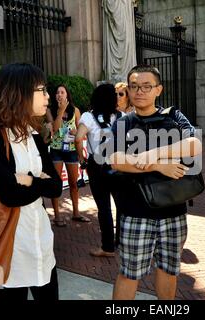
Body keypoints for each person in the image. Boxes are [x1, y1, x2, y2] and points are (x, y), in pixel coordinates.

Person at [110, 65, 202, 300]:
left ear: (158, 89)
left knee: (169, 269)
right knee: (130, 273)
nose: (139, 91)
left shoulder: (173, 116)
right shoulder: (124, 123)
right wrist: (159, 165)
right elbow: (116, 161)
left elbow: (195, 145)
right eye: (134, 86)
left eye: (146, 86)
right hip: (135, 211)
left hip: (173, 209)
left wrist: (154, 153)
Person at [0, 63, 62, 301]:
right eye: (41, 90)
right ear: (18, 92)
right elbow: (10, 195)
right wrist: (38, 182)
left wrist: (29, 181)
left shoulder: (33, 133)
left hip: (40, 237)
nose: (48, 97)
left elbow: (56, 187)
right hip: (5, 243)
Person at [75, 83, 120, 257]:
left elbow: (78, 138)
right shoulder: (120, 116)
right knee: (121, 205)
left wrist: (81, 158)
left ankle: (107, 247)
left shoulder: (88, 116)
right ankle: (121, 243)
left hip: (97, 165)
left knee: (104, 207)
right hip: (119, 164)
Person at [46, 85, 90, 226]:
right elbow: (55, 128)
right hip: (56, 150)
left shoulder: (75, 110)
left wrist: (75, 132)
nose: (59, 95)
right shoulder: (49, 111)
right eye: (57, 92)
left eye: (62, 92)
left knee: (73, 183)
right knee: (56, 183)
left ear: (67, 95)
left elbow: (80, 130)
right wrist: (61, 111)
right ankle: (57, 216)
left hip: (71, 150)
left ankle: (76, 213)